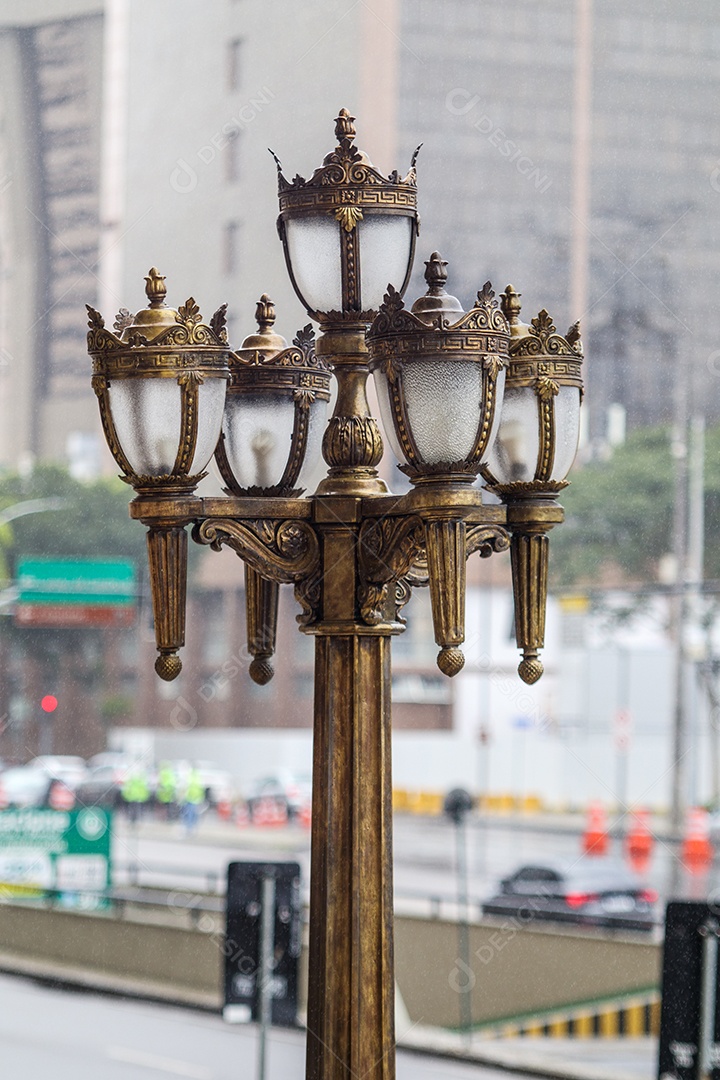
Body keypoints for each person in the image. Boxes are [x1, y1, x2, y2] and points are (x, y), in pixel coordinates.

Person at [179, 766, 205, 835]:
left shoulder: (189, 778)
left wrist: (182, 798)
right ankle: (193, 828)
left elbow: (185, 789)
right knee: (194, 814)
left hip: (189, 799)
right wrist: (201, 798)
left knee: (188, 814)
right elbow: (201, 790)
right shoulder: (199, 779)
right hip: (196, 800)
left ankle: (188, 828)